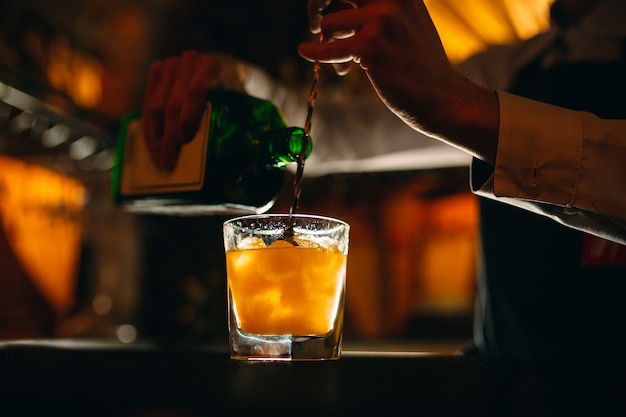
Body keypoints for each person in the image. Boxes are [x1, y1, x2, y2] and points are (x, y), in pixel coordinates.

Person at [140, 0, 626, 354]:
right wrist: (237, 85)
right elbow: (330, 134)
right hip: (508, 389)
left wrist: (456, 105)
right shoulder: (511, 65)